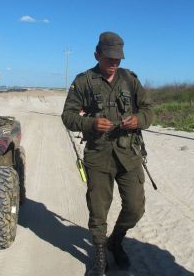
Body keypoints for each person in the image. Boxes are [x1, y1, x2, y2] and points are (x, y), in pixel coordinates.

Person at [61, 32, 153, 275]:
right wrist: (91, 123)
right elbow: (67, 116)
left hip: (129, 154)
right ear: (97, 54)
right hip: (98, 155)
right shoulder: (83, 81)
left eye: (118, 59)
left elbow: (148, 110)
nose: (114, 63)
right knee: (98, 210)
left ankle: (116, 240)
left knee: (135, 207)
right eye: (109, 58)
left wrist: (138, 120)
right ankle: (100, 255)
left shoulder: (129, 79)